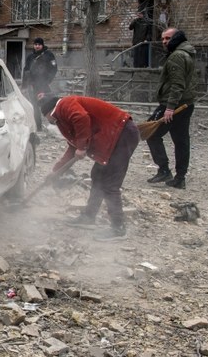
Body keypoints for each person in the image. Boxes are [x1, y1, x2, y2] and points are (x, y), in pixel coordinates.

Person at [38, 94, 140, 242]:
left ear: (49, 113)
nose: (49, 121)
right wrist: (55, 172)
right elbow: (72, 149)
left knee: (110, 184)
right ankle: (88, 217)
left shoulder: (64, 105)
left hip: (121, 135)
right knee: (98, 176)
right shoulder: (64, 115)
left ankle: (118, 228)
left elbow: (81, 118)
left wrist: (82, 146)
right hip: (112, 138)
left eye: (47, 118)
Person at [146, 28, 197, 190]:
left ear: (177, 38)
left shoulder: (177, 56)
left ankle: (164, 170)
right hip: (186, 104)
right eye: (162, 39)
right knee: (181, 141)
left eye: (168, 38)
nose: (164, 41)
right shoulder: (186, 53)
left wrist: (169, 108)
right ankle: (180, 178)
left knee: (151, 133)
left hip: (174, 105)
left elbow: (177, 84)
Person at [22, 38, 57, 129]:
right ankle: (38, 126)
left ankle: (54, 124)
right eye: (35, 44)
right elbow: (26, 70)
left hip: (43, 85)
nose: (37, 46)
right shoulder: (30, 57)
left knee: (49, 104)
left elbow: (54, 69)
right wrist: (24, 85)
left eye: (39, 44)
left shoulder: (48, 55)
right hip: (32, 85)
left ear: (42, 45)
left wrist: (48, 81)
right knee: (34, 106)